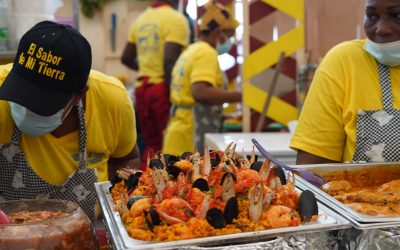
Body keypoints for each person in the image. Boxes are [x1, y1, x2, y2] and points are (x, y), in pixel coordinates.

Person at [0, 21, 140, 220]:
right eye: (20, 95)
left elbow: (125, 158)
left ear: (78, 96)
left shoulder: (111, 101)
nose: (26, 108)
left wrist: (121, 209)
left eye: (40, 103)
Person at [290, 0, 400, 165]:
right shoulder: (345, 63)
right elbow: (312, 172)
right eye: (372, 16)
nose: (381, 28)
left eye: (397, 16)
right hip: (363, 190)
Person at [163, 0, 242, 156]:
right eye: (229, 36)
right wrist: (242, 96)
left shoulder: (191, 50)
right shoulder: (206, 53)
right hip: (190, 138)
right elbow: (200, 92)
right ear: (217, 33)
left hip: (178, 132)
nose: (230, 42)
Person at [121, 0, 189, 168]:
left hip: (142, 89)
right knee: (169, 146)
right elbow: (169, 60)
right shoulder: (176, 19)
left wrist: (145, 69)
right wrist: (173, 92)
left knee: (151, 145)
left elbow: (126, 58)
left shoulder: (141, 20)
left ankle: (145, 184)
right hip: (162, 89)